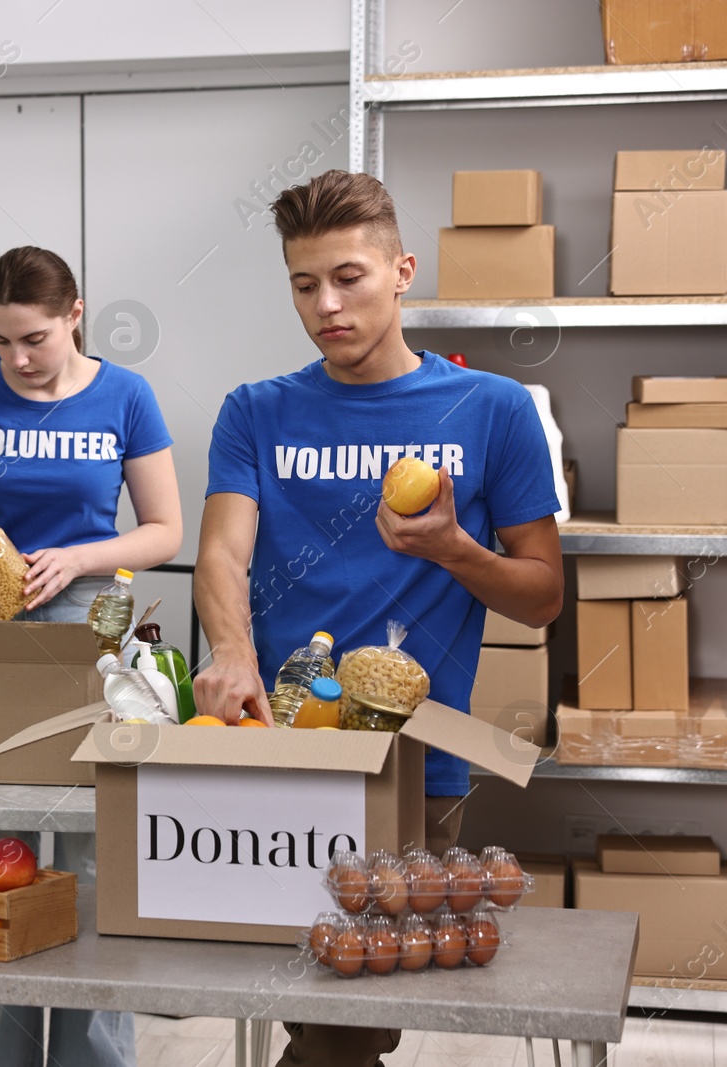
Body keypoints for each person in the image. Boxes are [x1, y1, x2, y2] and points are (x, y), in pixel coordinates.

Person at [191, 171, 563, 1067]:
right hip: (283, 745)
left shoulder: (494, 411)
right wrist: (232, 649)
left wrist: (451, 549)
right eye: (303, 283)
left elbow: (543, 595)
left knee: (345, 1012)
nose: (326, 304)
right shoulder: (255, 411)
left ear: (402, 270)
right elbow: (221, 552)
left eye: (349, 277)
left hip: (415, 764)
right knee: (329, 987)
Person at [0, 246, 182, 1067]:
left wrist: (81, 555)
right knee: (0, 852)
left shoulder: (126, 396)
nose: (16, 360)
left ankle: (94, 1056)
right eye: (1, 341)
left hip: (89, 625)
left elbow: (166, 529)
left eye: (32, 338)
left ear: (75, 314)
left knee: (95, 850)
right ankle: (7, 1053)